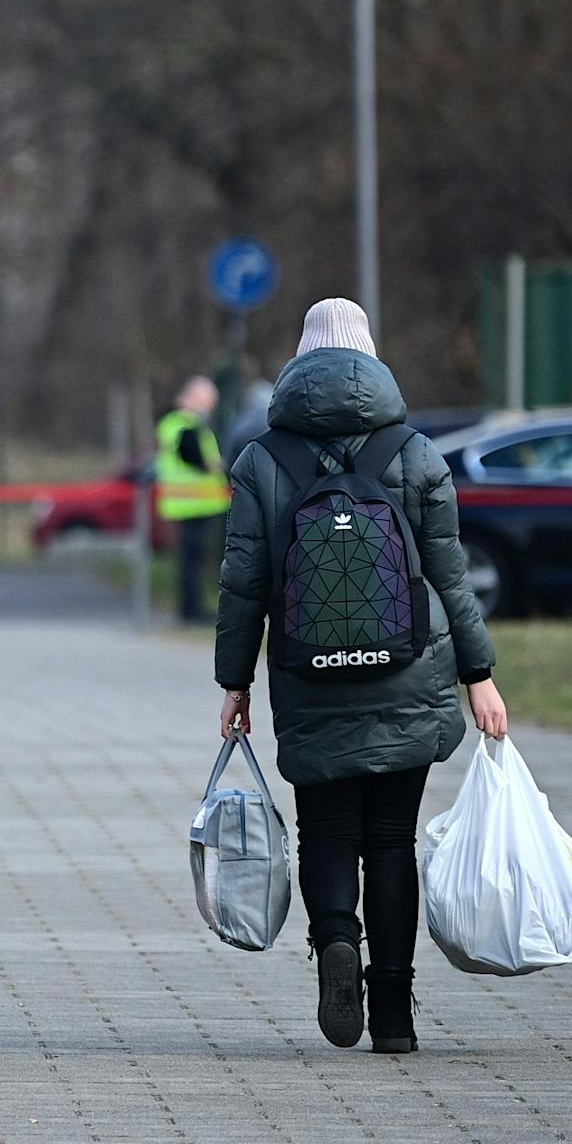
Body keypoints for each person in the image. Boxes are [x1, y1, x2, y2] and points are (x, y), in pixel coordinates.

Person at [214, 297, 508, 1054]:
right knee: (390, 839)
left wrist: (235, 682)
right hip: (410, 669)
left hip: (309, 673)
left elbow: (243, 583)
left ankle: (337, 941)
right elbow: (450, 574)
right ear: (370, 357)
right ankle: (396, 1016)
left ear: (299, 360)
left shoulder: (260, 460)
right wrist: (479, 673)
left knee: (326, 831)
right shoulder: (415, 453)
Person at [155, 376, 230, 623]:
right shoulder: (184, 425)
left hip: (194, 503)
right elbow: (194, 458)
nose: (211, 405)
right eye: (208, 399)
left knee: (193, 559)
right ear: (193, 398)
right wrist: (216, 466)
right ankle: (191, 609)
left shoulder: (185, 424)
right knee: (192, 560)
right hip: (191, 503)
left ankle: (192, 607)